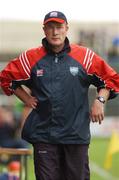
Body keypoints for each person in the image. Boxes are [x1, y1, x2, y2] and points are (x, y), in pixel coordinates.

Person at [0, 11, 119, 180]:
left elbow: (111, 78)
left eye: (59, 27)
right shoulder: (31, 57)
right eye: (50, 27)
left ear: (66, 29)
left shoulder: (84, 56)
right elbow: (6, 77)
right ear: (44, 30)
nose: (55, 32)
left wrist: (100, 100)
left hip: (76, 136)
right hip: (44, 136)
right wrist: (26, 98)